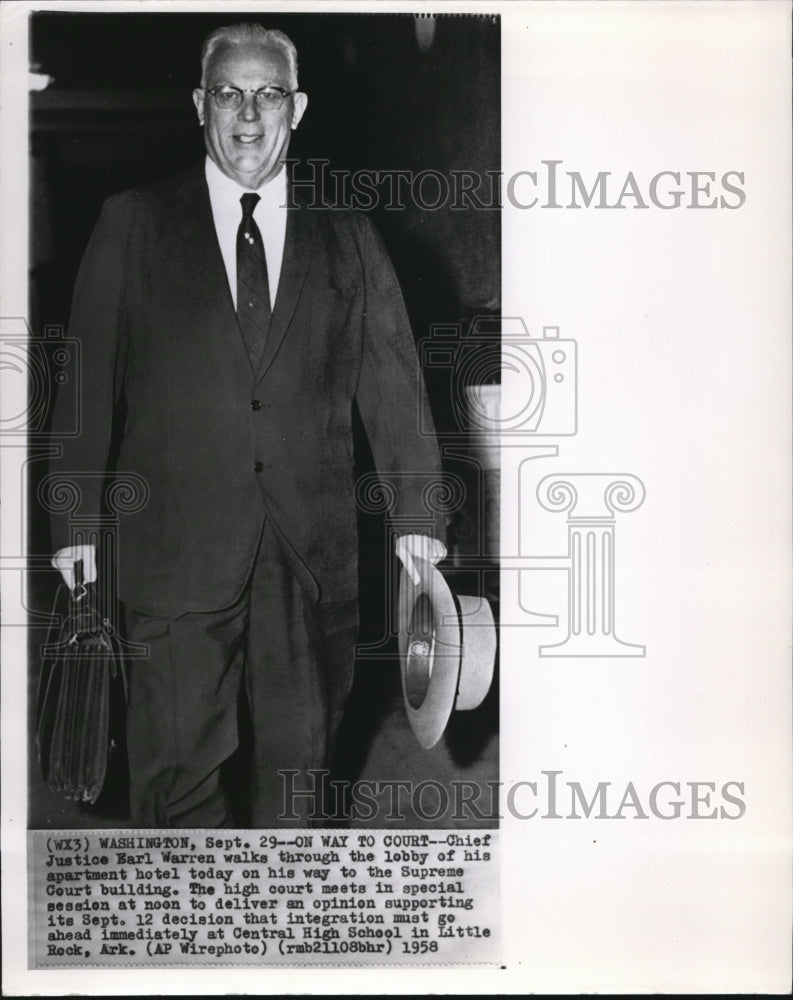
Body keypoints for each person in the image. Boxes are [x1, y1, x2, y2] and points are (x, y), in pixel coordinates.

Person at [49, 22, 446, 828]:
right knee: (174, 769)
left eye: (267, 94)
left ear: (295, 108)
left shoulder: (350, 235)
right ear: (200, 103)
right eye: (228, 93)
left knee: (301, 771)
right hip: (174, 549)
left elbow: (392, 380)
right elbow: (86, 382)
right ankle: (189, 937)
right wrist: (72, 520)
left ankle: (277, 935)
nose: (248, 115)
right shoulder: (133, 222)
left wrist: (417, 514)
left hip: (311, 552)